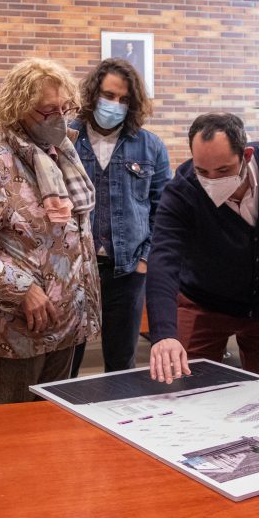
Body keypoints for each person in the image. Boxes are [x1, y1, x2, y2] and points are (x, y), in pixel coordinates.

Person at [0, 58, 101, 405]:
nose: (60, 117)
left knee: (51, 433)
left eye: (65, 107)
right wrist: (21, 289)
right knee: (8, 437)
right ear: (19, 110)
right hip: (14, 332)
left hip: (64, 327)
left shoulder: (61, 154)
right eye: (47, 111)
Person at [146, 112, 259, 383]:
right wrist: (164, 334)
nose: (212, 180)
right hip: (203, 302)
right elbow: (163, 261)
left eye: (223, 170)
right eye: (202, 171)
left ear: (246, 156)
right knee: (188, 387)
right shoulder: (182, 192)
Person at [69, 58, 170, 375]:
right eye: (108, 96)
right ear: (93, 94)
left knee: (121, 365)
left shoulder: (150, 146)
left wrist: (145, 260)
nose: (115, 105)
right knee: (64, 364)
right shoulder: (65, 140)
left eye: (124, 99)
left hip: (126, 272)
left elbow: (164, 212)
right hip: (73, 273)